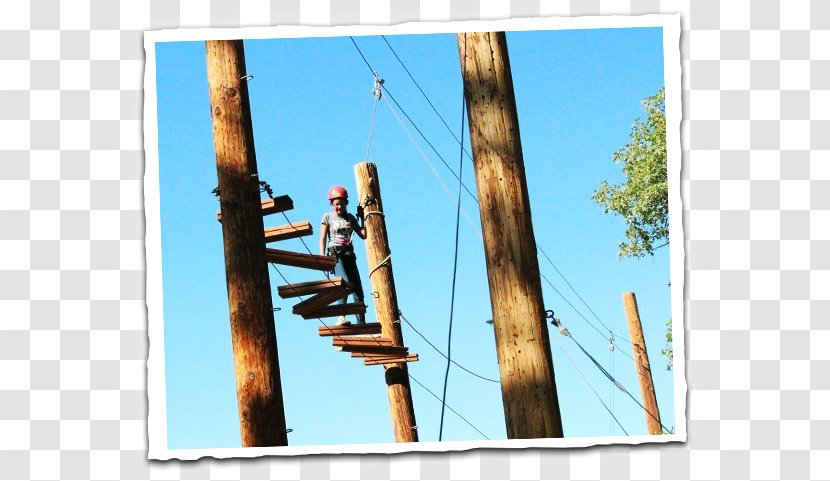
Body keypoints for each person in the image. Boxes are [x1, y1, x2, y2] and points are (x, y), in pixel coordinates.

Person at [319, 185, 367, 326]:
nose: (338, 207)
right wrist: (322, 258)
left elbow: (363, 235)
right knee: (345, 284)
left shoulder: (350, 218)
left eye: (340, 204)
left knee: (357, 289)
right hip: (336, 254)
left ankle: (361, 324)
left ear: (346, 203)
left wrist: (363, 218)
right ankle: (341, 316)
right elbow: (322, 238)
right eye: (335, 205)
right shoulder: (327, 217)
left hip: (349, 255)